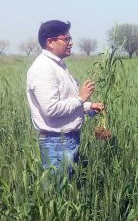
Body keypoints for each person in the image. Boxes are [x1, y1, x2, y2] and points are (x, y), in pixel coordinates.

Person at [26, 20, 104, 177]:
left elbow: (65, 100)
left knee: (67, 192)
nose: (71, 43)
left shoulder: (57, 65)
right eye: (66, 39)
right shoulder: (43, 69)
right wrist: (81, 99)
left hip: (66, 141)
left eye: (70, 38)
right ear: (50, 42)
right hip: (57, 143)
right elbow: (51, 109)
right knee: (58, 194)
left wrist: (89, 106)